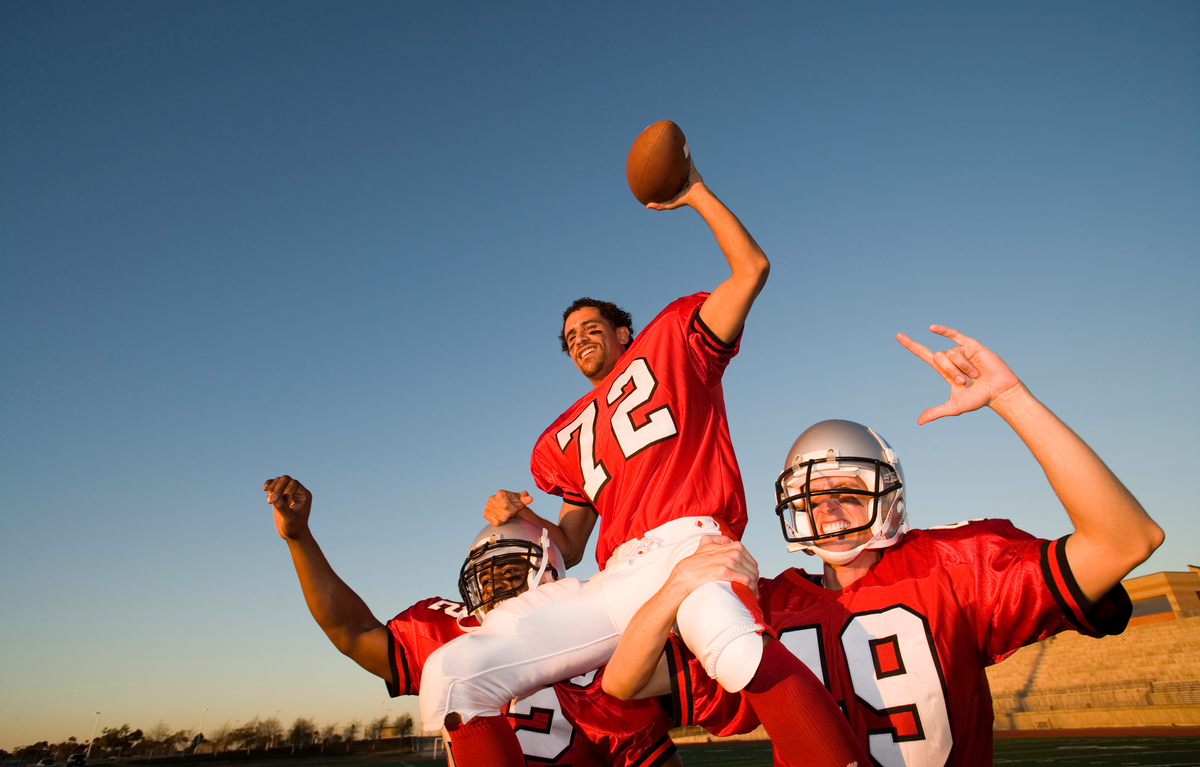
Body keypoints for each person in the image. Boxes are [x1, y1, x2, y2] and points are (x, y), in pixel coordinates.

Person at [419, 156, 868, 767]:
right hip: (616, 575)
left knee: (732, 645)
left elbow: (751, 269)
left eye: (590, 326)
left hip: (691, 543)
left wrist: (696, 193)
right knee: (452, 676)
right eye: (569, 336)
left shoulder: (674, 338)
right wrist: (519, 517)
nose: (578, 337)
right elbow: (571, 545)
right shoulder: (561, 437)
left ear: (625, 331)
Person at [601, 324, 1164, 767]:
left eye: (847, 490)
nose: (827, 508)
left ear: (887, 496)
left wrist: (1012, 398)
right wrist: (676, 585)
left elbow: (1128, 540)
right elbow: (624, 682)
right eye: (811, 496)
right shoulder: (765, 606)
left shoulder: (954, 566)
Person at [263, 475, 681, 767]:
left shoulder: (594, 639)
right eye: (486, 574)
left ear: (548, 569)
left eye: (510, 570)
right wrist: (299, 539)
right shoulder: (450, 630)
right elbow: (351, 632)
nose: (496, 584)